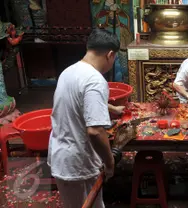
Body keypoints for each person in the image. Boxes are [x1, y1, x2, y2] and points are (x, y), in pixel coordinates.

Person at [47, 28, 120, 208]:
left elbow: (77, 99)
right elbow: (95, 131)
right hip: (78, 163)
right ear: (110, 55)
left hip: (61, 155)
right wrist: (109, 162)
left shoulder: (69, 71)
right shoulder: (95, 80)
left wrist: (110, 107)